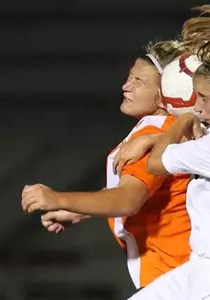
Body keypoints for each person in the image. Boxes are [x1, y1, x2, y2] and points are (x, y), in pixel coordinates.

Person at [112, 5, 210, 300]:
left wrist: (181, 122)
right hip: (203, 271)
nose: (197, 107)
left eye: (203, 98)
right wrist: (156, 137)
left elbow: (156, 163)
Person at [20, 40, 193, 289]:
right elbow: (146, 191)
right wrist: (80, 211)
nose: (126, 86)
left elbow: (129, 199)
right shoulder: (169, 130)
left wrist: (59, 198)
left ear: (166, 94)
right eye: (129, 77)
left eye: (139, 82)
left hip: (175, 278)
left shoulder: (155, 133)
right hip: (180, 272)